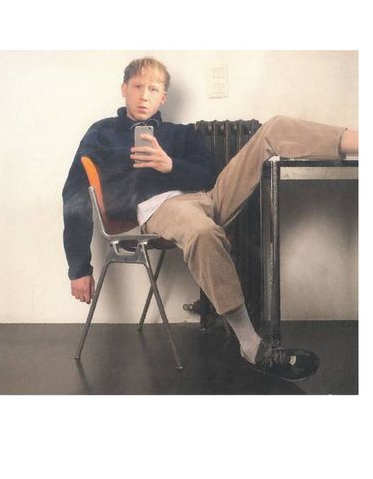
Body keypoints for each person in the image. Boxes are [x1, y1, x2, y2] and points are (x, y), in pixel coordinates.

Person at [62, 57, 358, 381]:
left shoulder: (181, 134)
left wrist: (170, 166)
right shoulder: (102, 133)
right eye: (137, 86)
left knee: (273, 128)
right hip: (160, 209)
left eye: (154, 89)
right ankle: (252, 346)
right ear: (124, 89)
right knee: (202, 231)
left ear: (163, 97)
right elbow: (75, 194)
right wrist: (79, 267)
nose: (144, 95)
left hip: (209, 198)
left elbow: (209, 174)